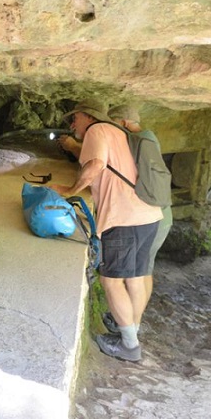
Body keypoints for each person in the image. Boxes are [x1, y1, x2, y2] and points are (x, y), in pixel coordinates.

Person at [49, 98, 163, 362]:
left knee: (111, 280)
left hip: (123, 218)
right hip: (149, 214)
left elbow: (96, 165)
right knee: (135, 277)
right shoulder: (120, 133)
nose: (72, 124)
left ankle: (129, 346)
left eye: (74, 118)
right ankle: (131, 330)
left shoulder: (97, 131)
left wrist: (70, 190)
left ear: (88, 116)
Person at [100, 104, 173, 337]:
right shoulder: (147, 139)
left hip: (146, 215)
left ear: (122, 123)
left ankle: (131, 328)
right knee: (139, 273)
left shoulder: (134, 141)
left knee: (138, 275)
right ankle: (132, 324)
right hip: (158, 213)